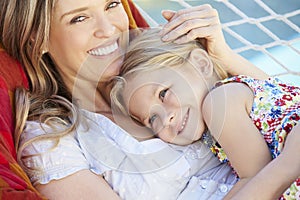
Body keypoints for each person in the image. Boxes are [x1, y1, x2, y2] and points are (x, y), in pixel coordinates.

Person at [0, 0, 272, 199]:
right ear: (37, 38)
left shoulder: (160, 61)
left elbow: (279, 108)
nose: (108, 29)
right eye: (79, 18)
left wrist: (225, 58)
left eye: (111, 4)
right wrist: (282, 171)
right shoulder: (52, 138)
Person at [111, 28, 300, 199]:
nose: (166, 118)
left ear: (201, 64)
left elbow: (257, 178)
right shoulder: (240, 94)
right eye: (152, 118)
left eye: (163, 93)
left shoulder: (219, 102)